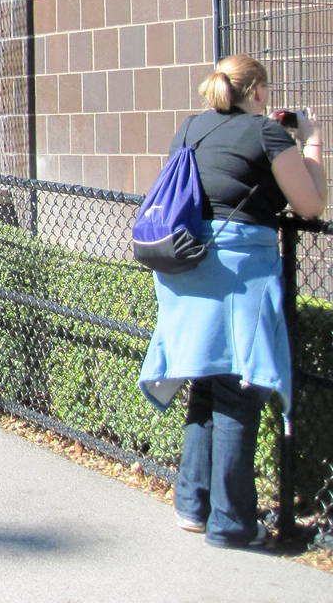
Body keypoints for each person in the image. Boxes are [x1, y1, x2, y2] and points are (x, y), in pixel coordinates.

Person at [138, 54, 326, 549]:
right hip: (238, 271)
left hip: (185, 264)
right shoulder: (267, 134)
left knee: (206, 382)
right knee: (241, 389)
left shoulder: (190, 128)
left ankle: (192, 505)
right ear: (258, 91)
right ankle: (232, 523)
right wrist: (310, 140)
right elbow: (309, 205)